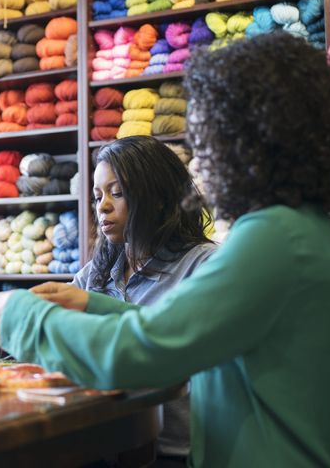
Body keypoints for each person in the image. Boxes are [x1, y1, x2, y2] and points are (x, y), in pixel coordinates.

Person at [0, 32, 330, 467]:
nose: (204, 157)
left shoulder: (275, 238)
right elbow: (200, 330)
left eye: (210, 136)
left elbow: (140, 355)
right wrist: (97, 306)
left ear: (249, 140)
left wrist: (20, 314)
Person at [39, 135, 215, 465]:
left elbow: (169, 344)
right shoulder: (99, 272)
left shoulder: (204, 266)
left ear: (160, 198)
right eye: (97, 196)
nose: (103, 205)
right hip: (103, 446)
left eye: (117, 193)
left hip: (173, 454)